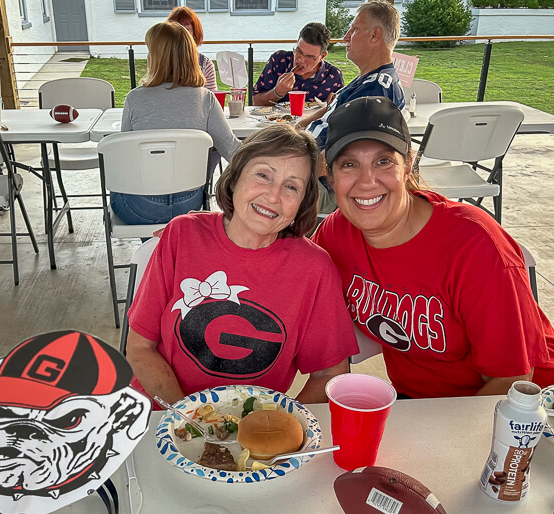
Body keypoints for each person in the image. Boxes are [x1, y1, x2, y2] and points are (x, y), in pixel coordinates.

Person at [311, 96, 554, 399]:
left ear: (408, 165)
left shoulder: (473, 244)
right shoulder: (336, 233)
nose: (367, 181)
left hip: (523, 410)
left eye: (383, 161)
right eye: (349, 164)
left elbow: (511, 381)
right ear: (330, 176)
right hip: (420, 405)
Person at [126, 125, 357, 406]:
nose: (273, 196)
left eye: (291, 186)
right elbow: (139, 347)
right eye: (262, 175)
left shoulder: (315, 268)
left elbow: (329, 373)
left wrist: (277, 424)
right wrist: (189, 420)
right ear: (234, 178)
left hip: (251, 432)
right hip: (160, 410)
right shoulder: (182, 235)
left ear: (303, 203)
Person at [112, 22, 240, 225]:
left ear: (154, 58)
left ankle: (155, 250)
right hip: (188, 203)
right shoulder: (205, 99)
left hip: (139, 206)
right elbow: (233, 152)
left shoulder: (134, 99)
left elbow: (126, 157)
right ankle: (165, 248)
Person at [300, 0, 406, 214]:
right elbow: (333, 111)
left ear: (374, 36)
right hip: (311, 163)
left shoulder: (375, 92)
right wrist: (301, 124)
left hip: (323, 185)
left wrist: (295, 170)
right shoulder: (367, 81)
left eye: (354, 29)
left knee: (252, 183)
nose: (346, 37)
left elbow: (348, 156)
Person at [252, 22, 344, 106]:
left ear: (322, 56)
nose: (301, 60)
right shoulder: (279, 61)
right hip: (276, 123)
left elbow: (339, 116)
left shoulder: (333, 76)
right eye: (298, 51)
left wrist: (330, 107)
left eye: (310, 57)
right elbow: (255, 102)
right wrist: (277, 92)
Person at [167, 6, 218, 91]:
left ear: (195, 33)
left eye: (187, 31)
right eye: (178, 32)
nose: (183, 37)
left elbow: (212, 99)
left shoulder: (205, 64)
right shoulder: (161, 62)